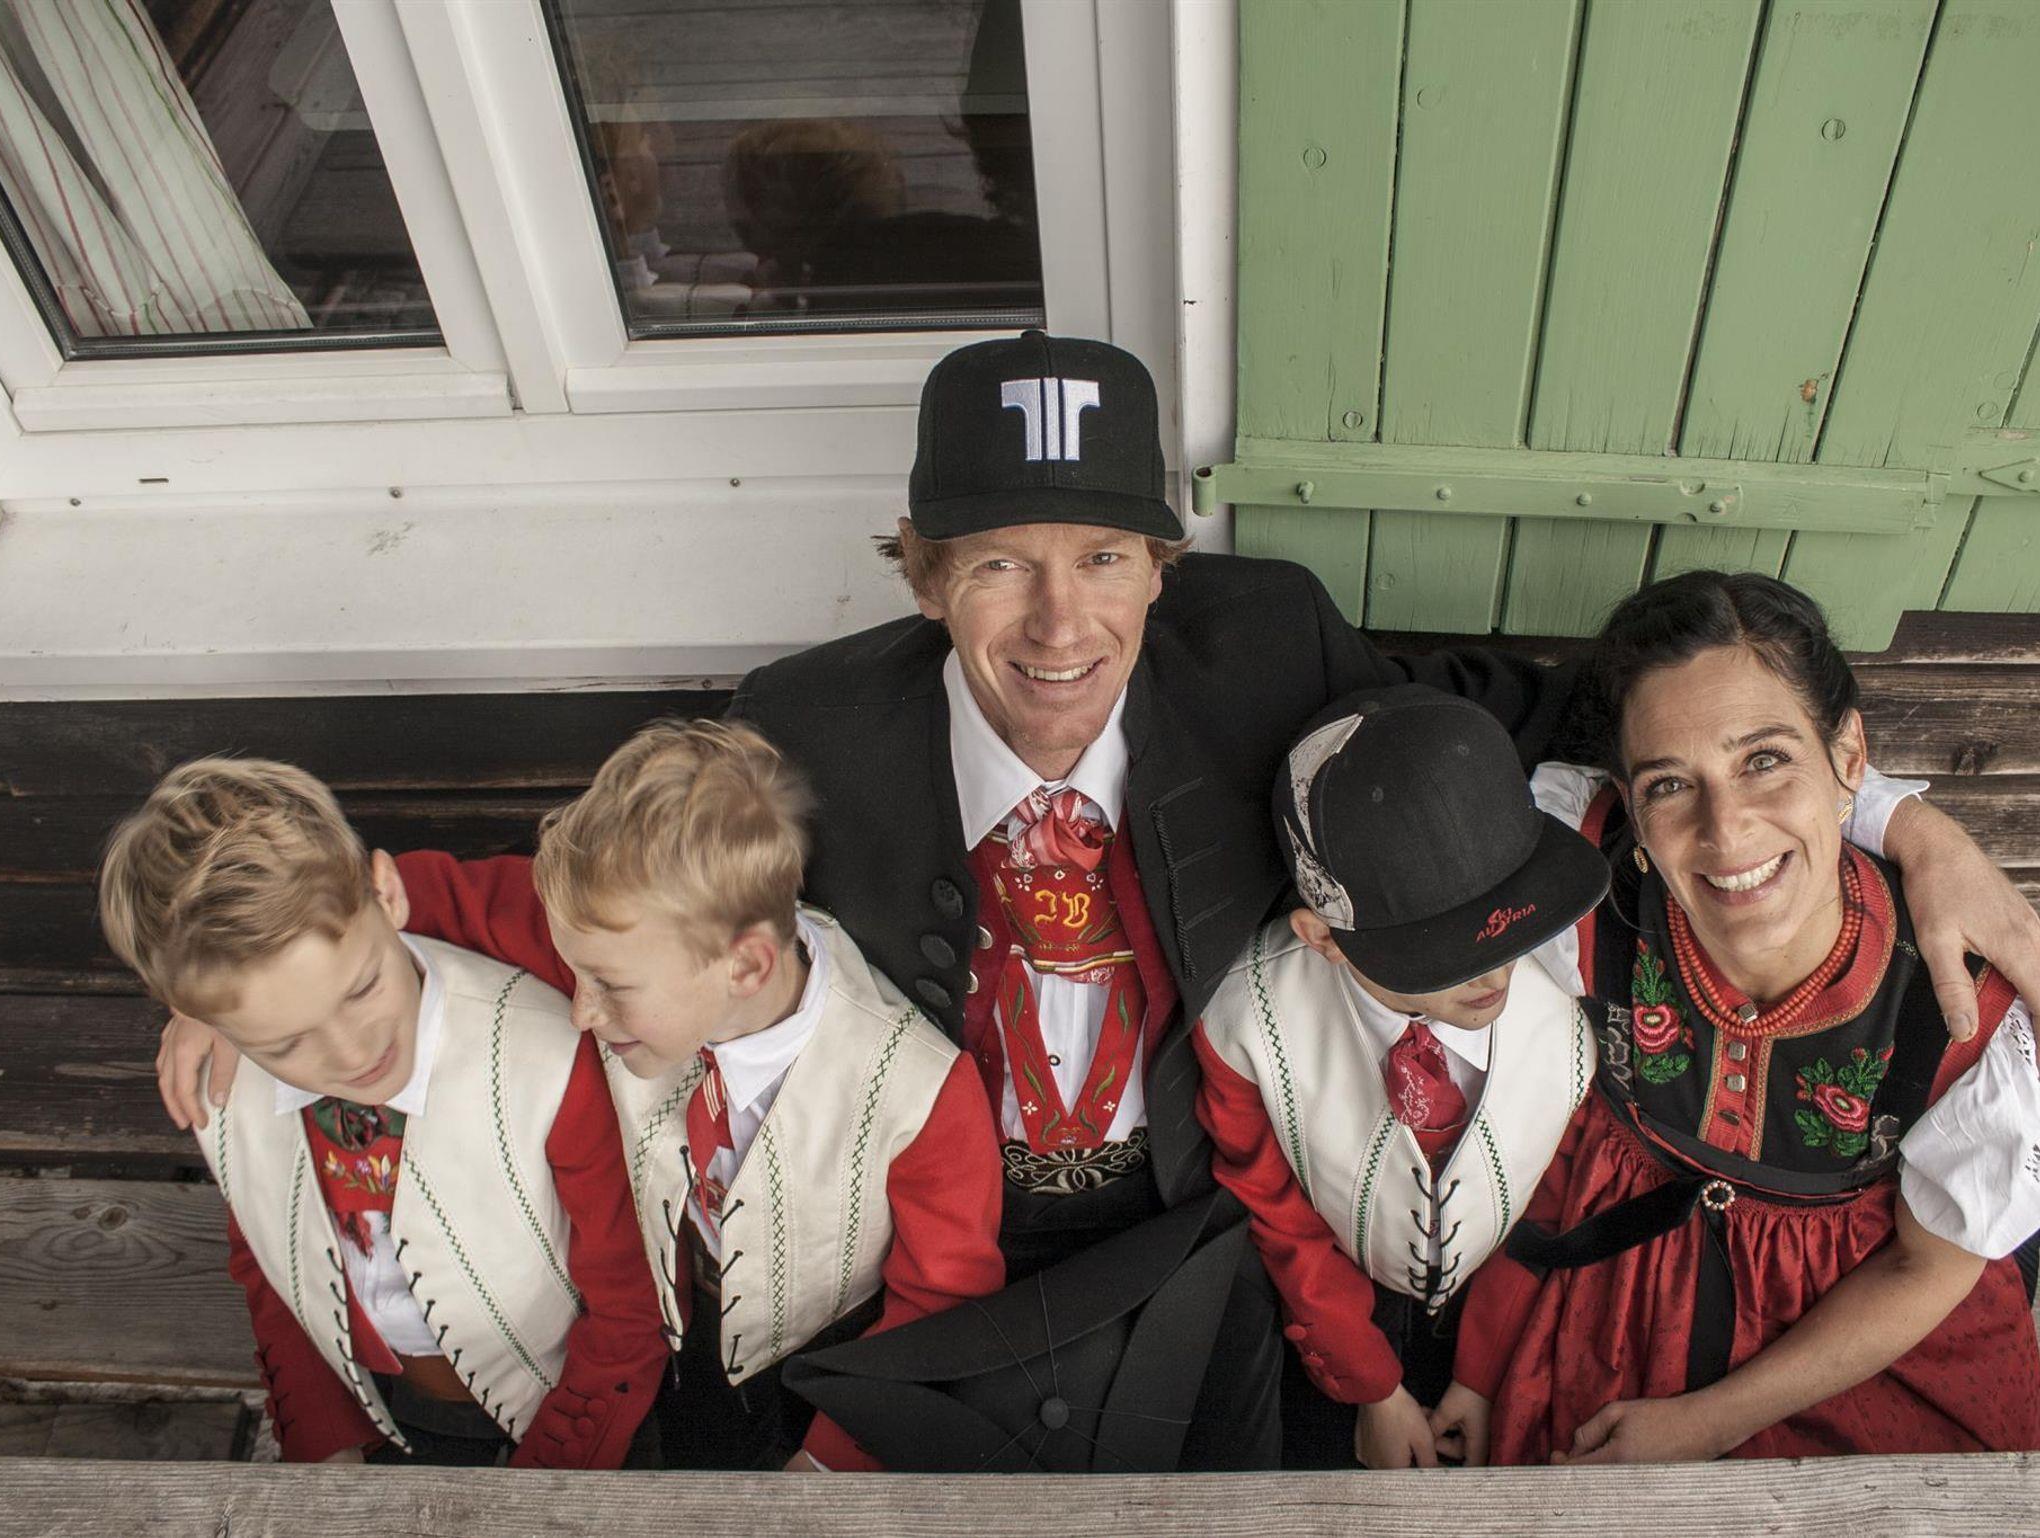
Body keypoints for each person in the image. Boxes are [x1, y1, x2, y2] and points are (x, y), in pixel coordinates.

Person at [156, 332, 2040, 1465]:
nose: (1060, 623)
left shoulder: (1265, 643)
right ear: (921, 574)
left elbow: (1576, 730)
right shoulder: (808, 721)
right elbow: (590, 883)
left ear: (1162, 562)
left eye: (1105, 556)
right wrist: (271, 963)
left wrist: (1903, 820)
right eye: (998, 563)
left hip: (1223, 1216)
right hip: (917, 1249)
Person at [1434, 571, 2040, 1465]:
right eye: (1671, 785)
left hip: (1860, 1331)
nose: (1726, 831)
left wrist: (1710, 1423)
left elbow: (1929, 1267)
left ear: (1849, 758)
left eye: (1764, 761)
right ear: (1631, 803)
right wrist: (1481, 1367)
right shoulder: (1583, 889)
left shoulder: (1958, 1009)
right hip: (1617, 1285)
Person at [376, 720, 1004, 1470]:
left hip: (826, 1381)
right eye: (577, 976)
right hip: (669, 1358)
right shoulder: (623, 937)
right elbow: (457, 899)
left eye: (609, 987)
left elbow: (940, 1303)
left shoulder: (918, 1093)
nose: (581, 1010)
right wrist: (339, 917)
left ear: (746, 968)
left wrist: (835, 1458)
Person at [98, 758, 665, 1467]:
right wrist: (324, 1442)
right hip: (386, 1411)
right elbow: (275, 1271)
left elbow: (630, 1306)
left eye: (362, 989)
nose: (352, 1052)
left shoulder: (543, 1059)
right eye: (286, 1043)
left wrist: (553, 1473)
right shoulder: (225, 1089)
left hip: (581, 1413)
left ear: (389, 894)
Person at [1192, 685, 1609, 1469]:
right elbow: (1275, 1210)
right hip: (1327, 1321)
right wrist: (1371, 1385)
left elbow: (1552, 1203)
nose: (1494, 970)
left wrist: (1483, 1374)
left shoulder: (1570, 1007)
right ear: (1323, 938)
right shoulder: (1246, 1021)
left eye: (1509, 923)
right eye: (1441, 948)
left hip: (1505, 1317)